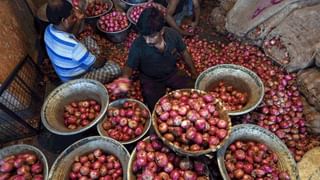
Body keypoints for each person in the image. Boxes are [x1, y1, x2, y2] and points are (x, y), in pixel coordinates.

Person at [121, 7, 197, 110]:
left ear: (162, 31)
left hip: (172, 73)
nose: (147, 41)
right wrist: (124, 79)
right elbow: (129, 66)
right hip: (151, 79)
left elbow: (184, 52)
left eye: (152, 36)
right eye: (144, 36)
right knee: (156, 107)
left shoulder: (173, 35)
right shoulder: (138, 45)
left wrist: (193, 71)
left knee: (193, 90)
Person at [44, 0, 121, 83]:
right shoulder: (74, 46)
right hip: (75, 81)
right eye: (73, 17)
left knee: (87, 39)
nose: (75, 18)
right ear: (64, 21)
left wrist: (79, 21)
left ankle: (89, 58)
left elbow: (72, 35)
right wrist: (104, 56)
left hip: (65, 73)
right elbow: (98, 64)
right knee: (115, 69)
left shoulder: (48, 30)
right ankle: (91, 59)